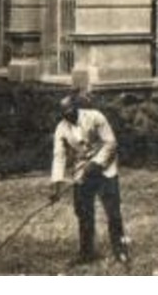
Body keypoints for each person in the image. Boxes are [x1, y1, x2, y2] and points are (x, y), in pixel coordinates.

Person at [50, 94, 130, 265]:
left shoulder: (95, 117)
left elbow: (111, 143)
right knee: (83, 212)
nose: (67, 115)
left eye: (70, 110)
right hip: (82, 173)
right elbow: (59, 156)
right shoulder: (61, 128)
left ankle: (120, 250)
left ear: (76, 107)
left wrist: (95, 164)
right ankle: (87, 253)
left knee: (113, 212)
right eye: (63, 112)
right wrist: (56, 185)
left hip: (106, 168)